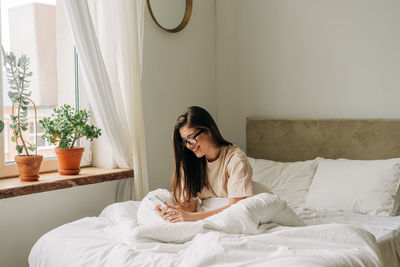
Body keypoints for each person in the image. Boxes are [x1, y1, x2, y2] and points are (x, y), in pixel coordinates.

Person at [155, 106, 253, 223]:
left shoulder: (236, 159)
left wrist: (192, 218)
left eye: (191, 138)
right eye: (185, 141)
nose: (189, 146)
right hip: (207, 213)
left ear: (208, 131)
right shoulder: (190, 161)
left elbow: (237, 209)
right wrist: (171, 211)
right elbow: (190, 206)